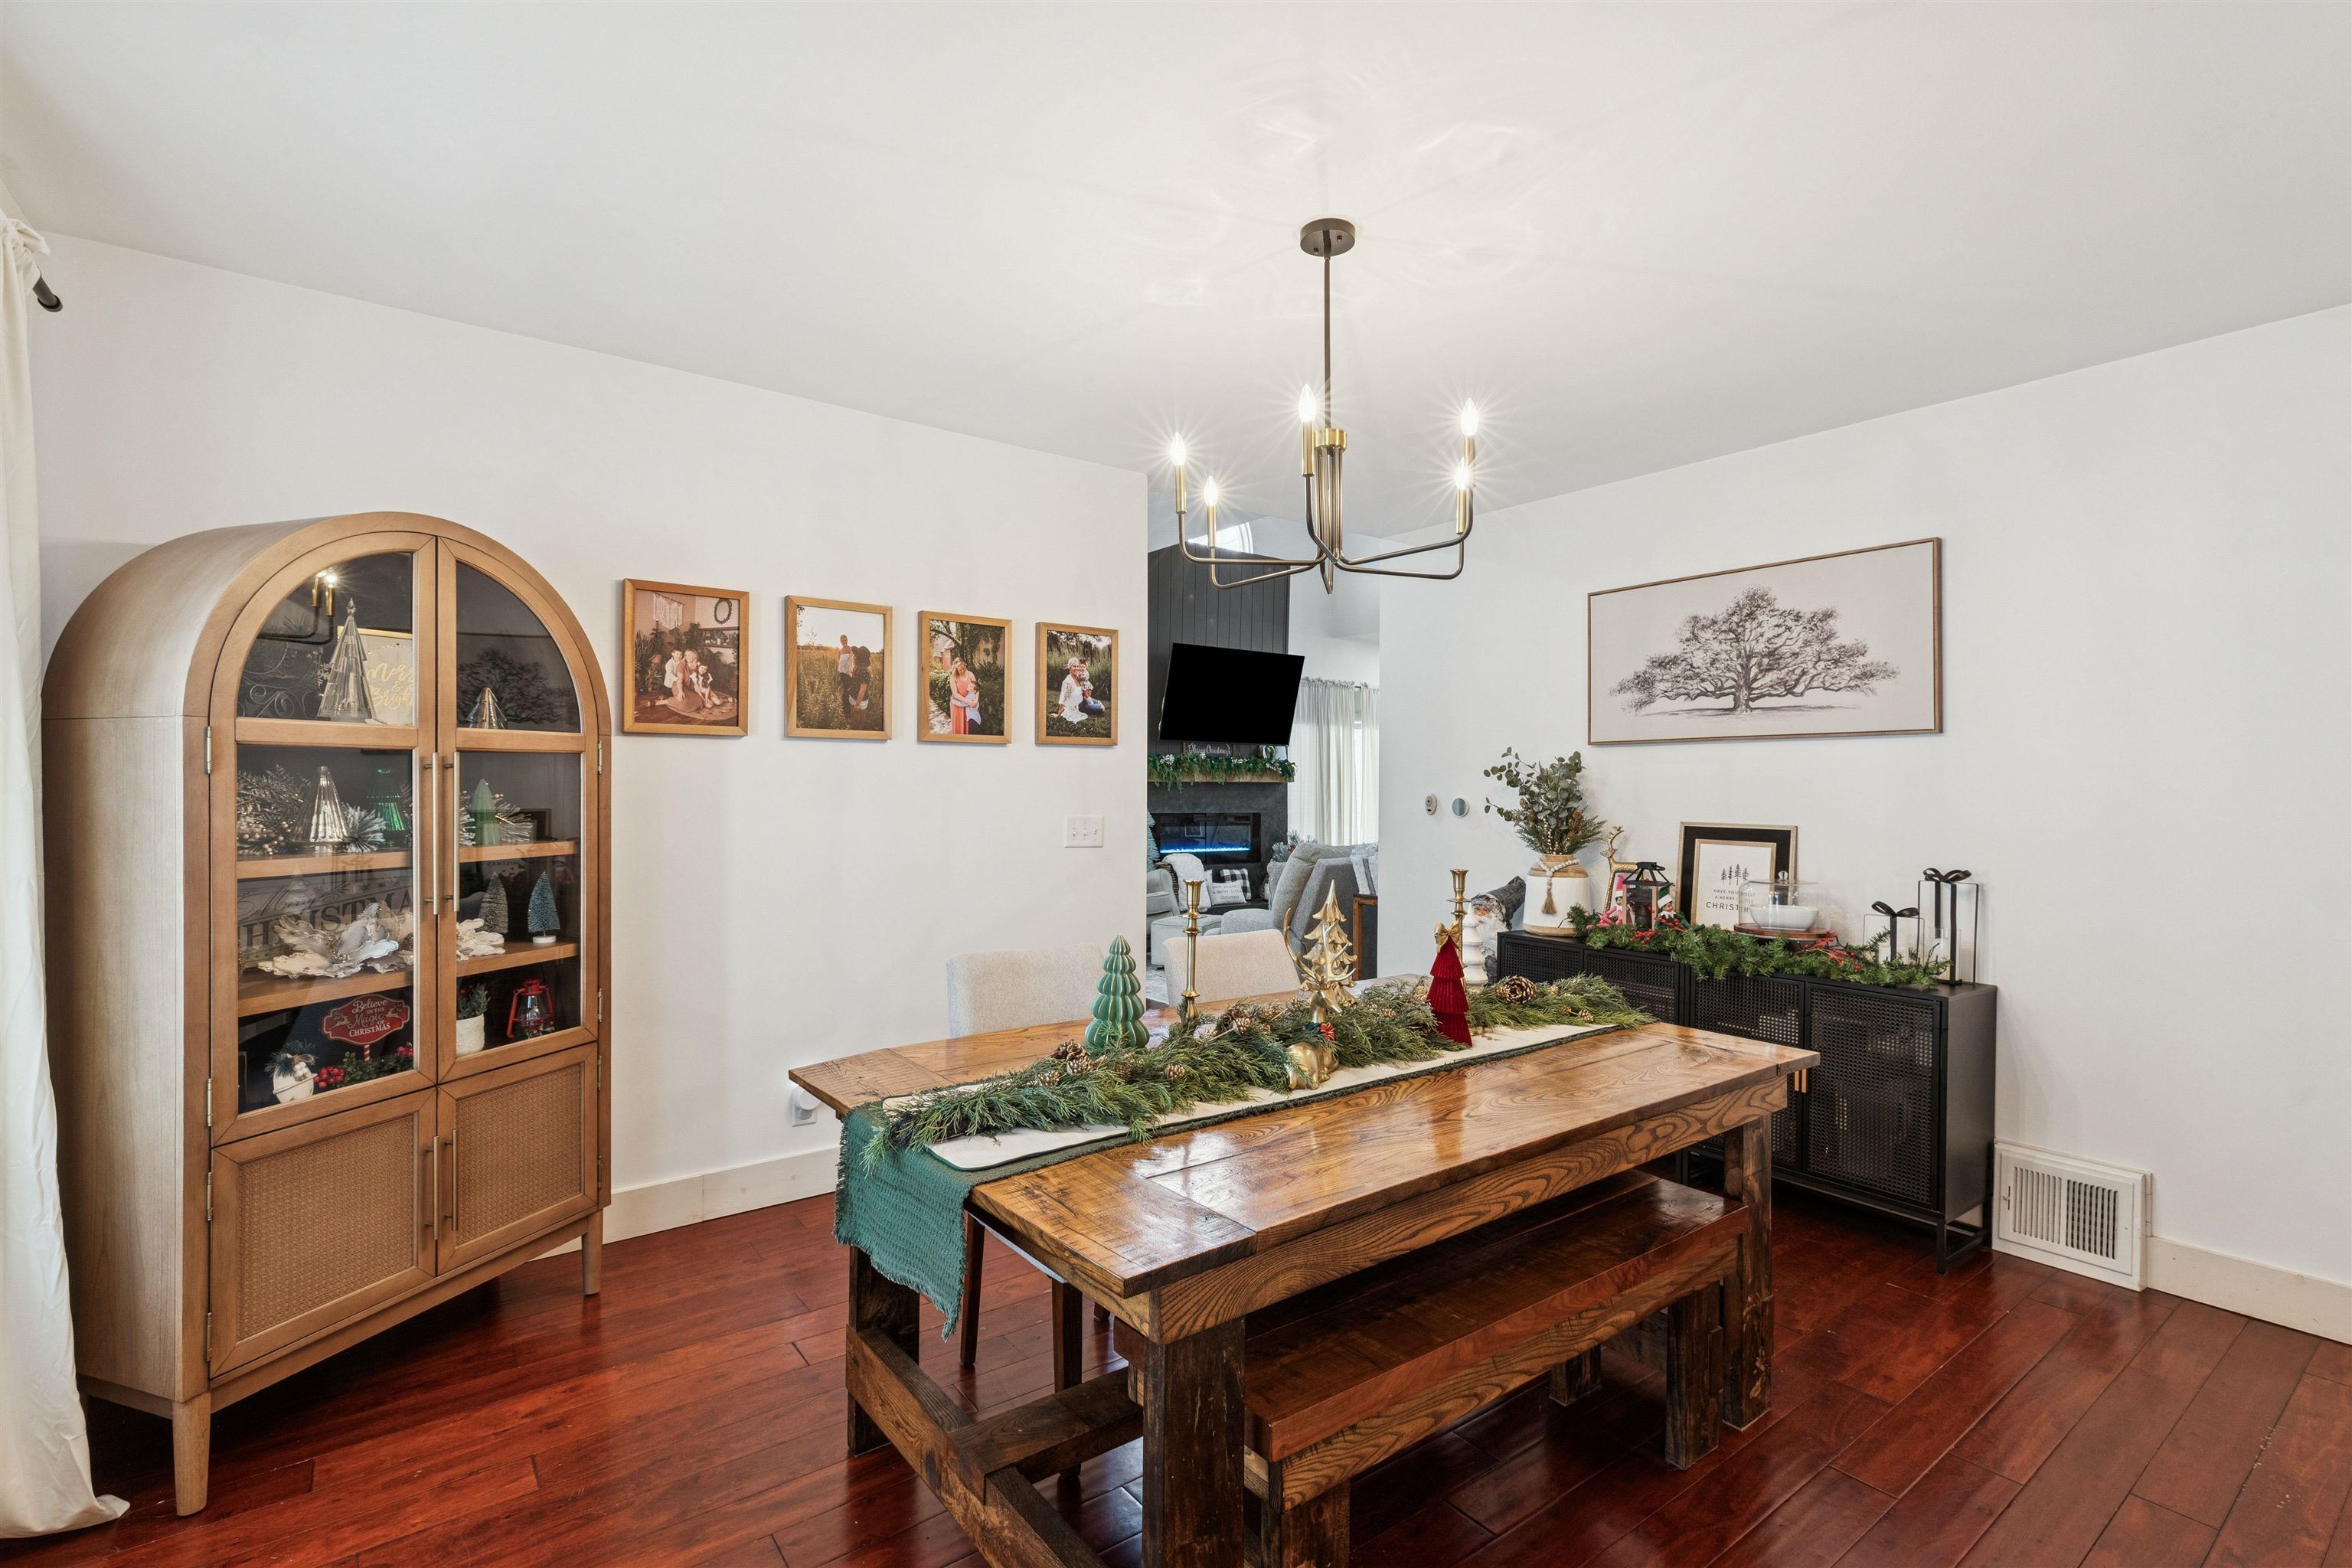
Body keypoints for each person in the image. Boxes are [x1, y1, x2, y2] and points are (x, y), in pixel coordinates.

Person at [1057, 656, 1106, 724]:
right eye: (1074, 666)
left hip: (1084, 699)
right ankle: (1097, 705)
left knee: (1098, 704)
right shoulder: (1068, 681)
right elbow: (1063, 698)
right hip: (1081, 706)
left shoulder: (1079, 677)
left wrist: (1088, 692)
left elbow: (1084, 688)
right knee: (1101, 708)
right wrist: (1059, 713)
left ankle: (1097, 703)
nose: (1077, 668)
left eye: (1078, 666)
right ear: (1070, 668)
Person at [949, 659, 981, 734]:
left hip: (969, 706)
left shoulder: (970, 674)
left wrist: (976, 700)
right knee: (959, 726)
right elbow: (955, 693)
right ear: (955, 669)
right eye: (960, 670)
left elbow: (977, 688)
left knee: (968, 726)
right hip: (958, 705)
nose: (963, 671)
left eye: (964, 668)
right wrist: (968, 702)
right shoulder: (953, 678)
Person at [835, 634, 859, 720]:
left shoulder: (851, 649)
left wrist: (849, 668)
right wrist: (842, 666)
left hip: (849, 672)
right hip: (842, 672)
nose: (844, 642)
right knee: (846, 689)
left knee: (850, 689)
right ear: (840, 642)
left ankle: (850, 708)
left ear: (847, 640)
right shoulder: (839, 651)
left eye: (845, 640)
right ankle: (846, 710)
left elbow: (852, 659)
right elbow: (839, 661)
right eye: (842, 641)